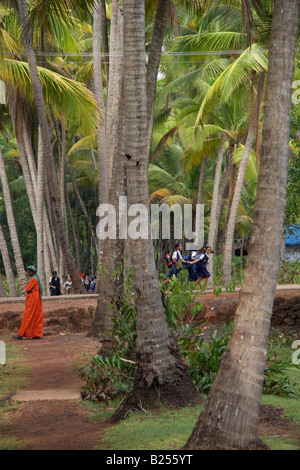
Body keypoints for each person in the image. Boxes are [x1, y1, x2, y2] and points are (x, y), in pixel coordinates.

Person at [12, 266, 43, 340]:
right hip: (36, 301)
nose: (28, 273)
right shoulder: (36, 279)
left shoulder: (33, 279)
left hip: (32, 301)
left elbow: (27, 288)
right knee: (36, 316)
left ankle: (21, 334)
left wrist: (29, 290)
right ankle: (36, 334)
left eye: (29, 272)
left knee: (27, 316)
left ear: (33, 272)